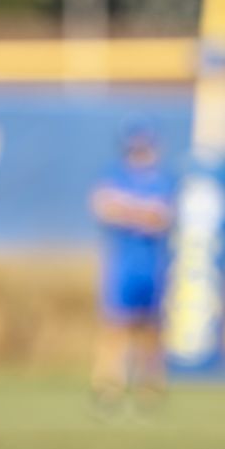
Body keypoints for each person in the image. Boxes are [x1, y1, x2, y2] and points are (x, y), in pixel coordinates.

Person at [88, 125, 175, 412]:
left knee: (151, 328)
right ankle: (108, 387)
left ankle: (149, 390)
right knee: (116, 326)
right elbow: (103, 207)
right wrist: (141, 212)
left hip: (152, 265)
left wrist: (128, 209)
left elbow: (163, 217)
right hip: (123, 264)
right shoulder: (115, 175)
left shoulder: (163, 180)